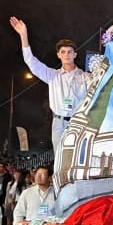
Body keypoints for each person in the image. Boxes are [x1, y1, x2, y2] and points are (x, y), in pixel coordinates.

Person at [10, 16, 90, 167]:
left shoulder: (86, 77)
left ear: (75, 54)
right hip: (58, 123)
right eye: (63, 52)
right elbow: (31, 62)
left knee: (79, 159)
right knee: (60, 161)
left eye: (69, 51)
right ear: (58, 55)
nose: (66, 54)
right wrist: (23, 35)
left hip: (79, 122)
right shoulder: (52, 76)